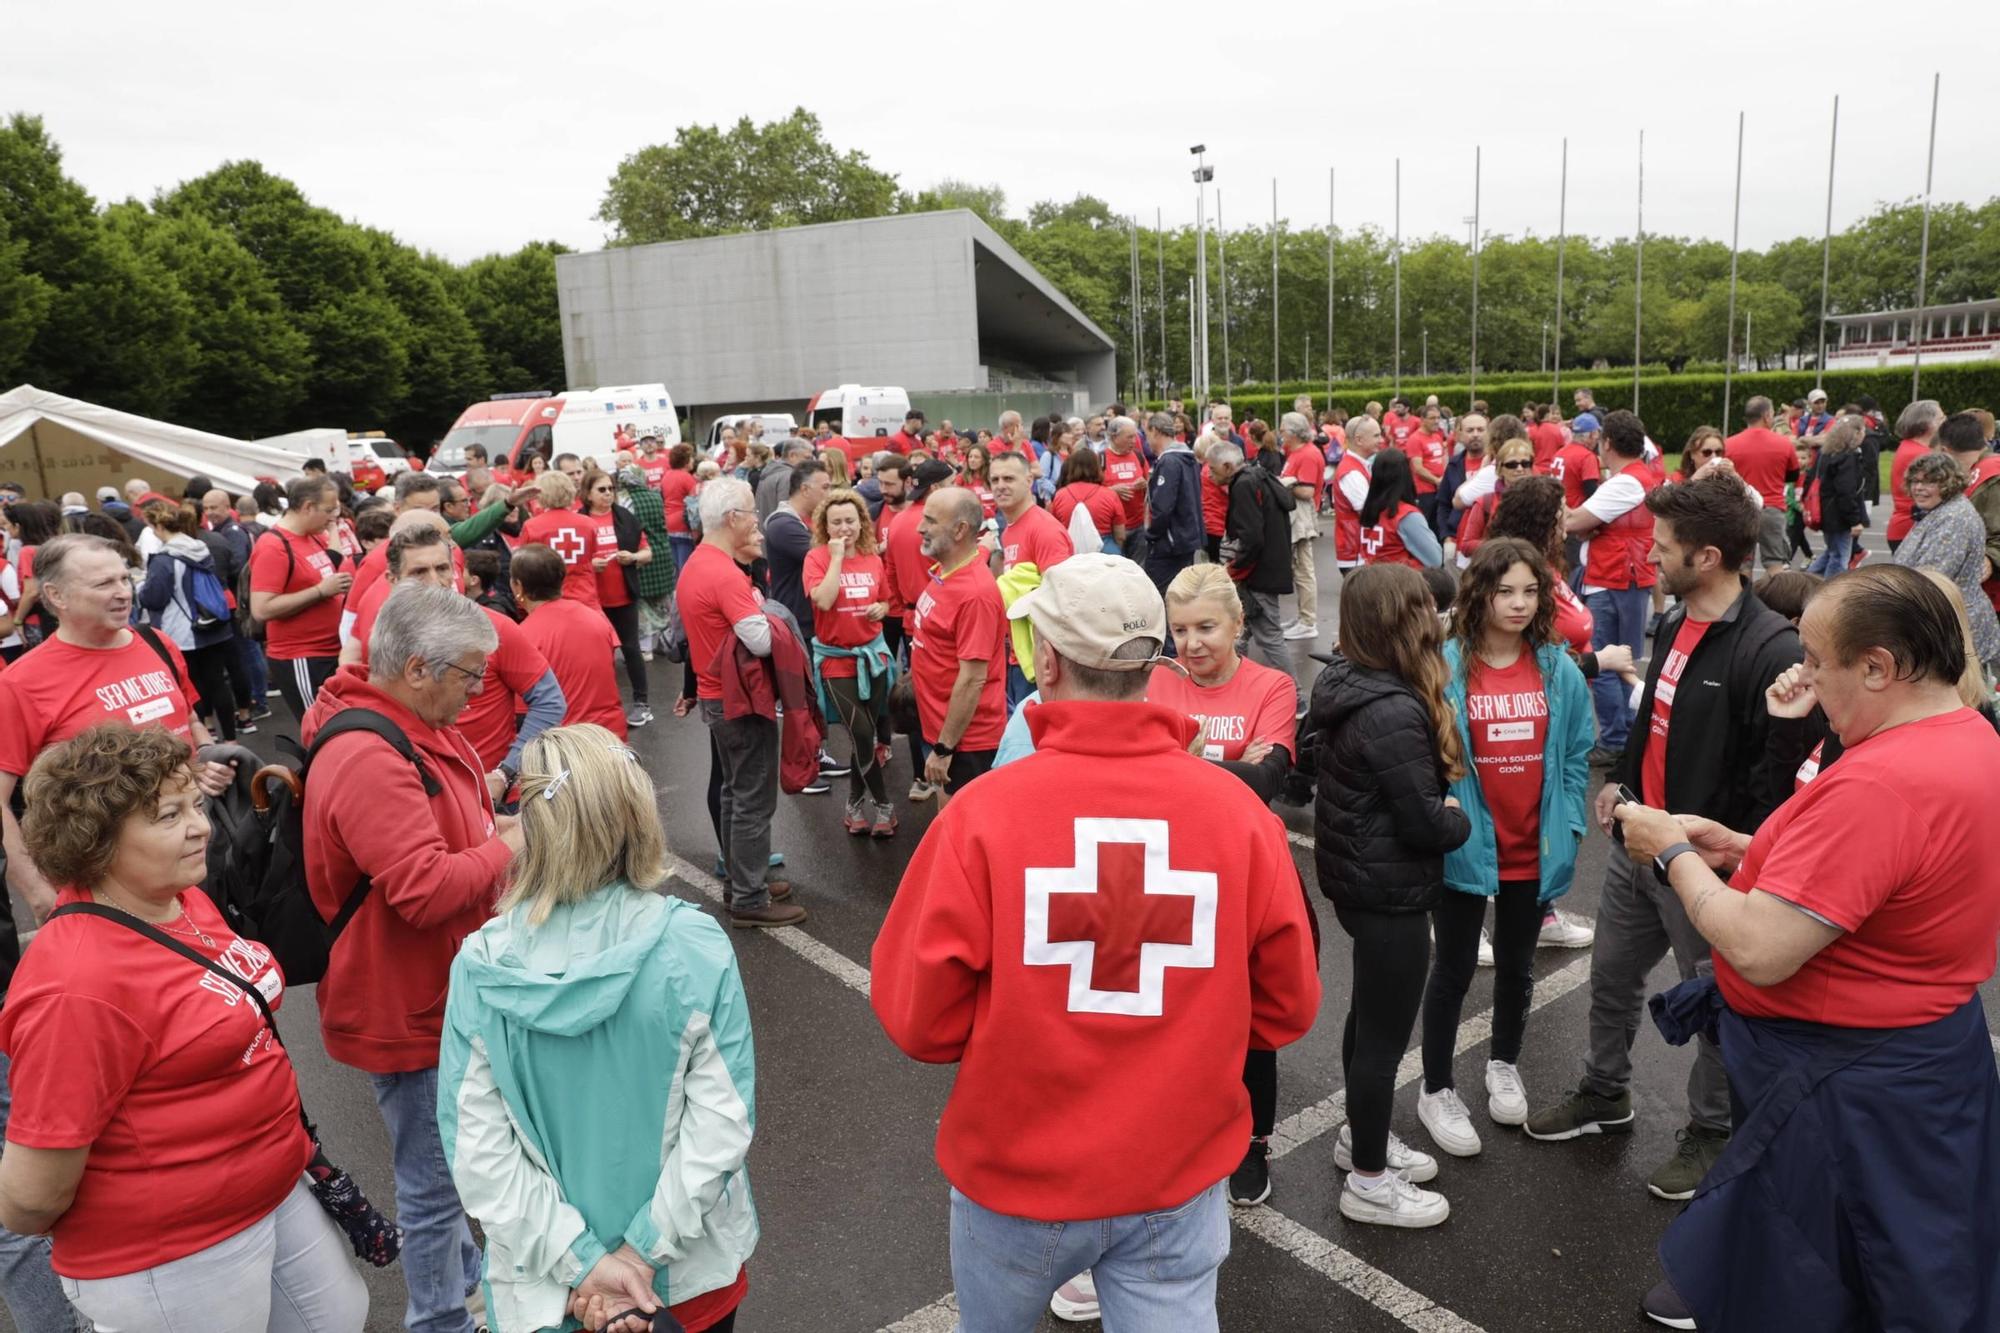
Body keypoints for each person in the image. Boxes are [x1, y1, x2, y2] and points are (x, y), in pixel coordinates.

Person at [872, 553, 1321, 1332]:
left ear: (1046, 659)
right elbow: (1285, 1007)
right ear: (1158, 655)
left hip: (1015, 1173)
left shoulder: (980, 817)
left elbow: (922, 1020)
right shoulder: (1241, 815)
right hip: (1177, 1172)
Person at [1616, 566, 2000, 1330]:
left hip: (1850, 1093)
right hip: (1908, 1064)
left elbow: (1759, 948)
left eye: (1819, 661)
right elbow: (1887, 877)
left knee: (1836, 1285)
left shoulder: (1881, 780)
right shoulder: (1969, 733)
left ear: (1878, 666)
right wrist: (1745, 846)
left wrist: (1671, 851)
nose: (1808, 679)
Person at [0, 724, 369, 1333]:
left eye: (194, 804)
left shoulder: (180, 898)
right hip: (172, 1252)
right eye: (169, 815)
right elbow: (31, 1197)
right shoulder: (75, 985)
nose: (201, 826)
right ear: (97, 841)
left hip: (272, 1193)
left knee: (340, 1316)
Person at [1527, 470, 1810, 1205]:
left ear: (1708, 556)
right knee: (1611, 982)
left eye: (1663, 546)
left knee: (1712, 1002)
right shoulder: (1668, 620)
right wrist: (1623, 785)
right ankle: (1604, 1092)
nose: (1649, 556)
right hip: (1636, 844)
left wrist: (1715, 855)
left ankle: (1711, 1129)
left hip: (1703, 867)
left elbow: (1770, 785)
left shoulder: (1769, 649)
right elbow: (1656, 714)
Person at [440, 725, 754, 1333]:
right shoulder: (692, 944)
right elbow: (722, 1122)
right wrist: (638, 1256)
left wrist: (584, 1263)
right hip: (687, 1276)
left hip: (549, 1289)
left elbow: (477, 1150)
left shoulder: (480, 965)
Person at [301, 583, 522, 1333]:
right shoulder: (370, 751)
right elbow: (424, 891)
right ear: (420, 668)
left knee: (449, 1174)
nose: (477, 690)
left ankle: (462, 1286)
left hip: (431, 987)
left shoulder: (411, 723)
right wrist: (511, 845)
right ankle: (439, 1319)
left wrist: (495, 825)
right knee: (435, 1185)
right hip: (410, 1004)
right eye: (469, 674)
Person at [1417, 539, 1594, 1160]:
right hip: (1466, 846)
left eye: (1531, 591)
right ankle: (1436, 1087)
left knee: (1518, 967)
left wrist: (1570, 823)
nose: (1519, 604)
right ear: (1479, 594)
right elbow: (1424, 751)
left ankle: (1503, 1063)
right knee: (1455, 968)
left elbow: (1576, 754)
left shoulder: (1556, 668)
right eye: (1505, 591)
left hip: (1532, 848)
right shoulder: (1444, 663)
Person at [1310, 563, 1471, 1227]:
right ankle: (1371, 1182)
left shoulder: (1348, 682)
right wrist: (1456, 811)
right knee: (1382, 1042)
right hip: (1390, 890)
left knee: (1367, 1022)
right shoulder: (1396, 708)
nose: (1437, 618)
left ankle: (1360, 1140)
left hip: (1362, 882)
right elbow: (1426, 822)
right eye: (1425, 609)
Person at [1145, 564, 1304, 1209]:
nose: (1192, 643)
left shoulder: (1274, 685)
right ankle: (1175, 1132)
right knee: (1172, 1013)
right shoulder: (1153, 680)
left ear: (1239, 625)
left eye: (1207, 627)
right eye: (1179, 629)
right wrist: (1225, 765)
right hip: (1165, 873)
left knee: (1249, 1020)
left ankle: (1252, 1145)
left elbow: (1268, 784)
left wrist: (1183, 762)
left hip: (1245, 877)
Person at [675, 478, 803, 926]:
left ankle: (741, 882)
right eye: (750, 513)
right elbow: (762, 640)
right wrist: (762, 604)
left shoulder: (698, 563)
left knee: (734, 795)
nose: (755, 521)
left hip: (718, 696)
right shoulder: (725, 572)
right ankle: (749, 898)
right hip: (740, 700)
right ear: (733, 518)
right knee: (751, 800)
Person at [1563, 410, 1664, 766]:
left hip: (1613, 577)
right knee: (1621, 660)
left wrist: (1571, 514)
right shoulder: (1638, 477)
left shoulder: (1626, 481)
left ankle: (1617, 737)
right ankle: (1628, 733)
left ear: (1607, 444)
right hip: (1625, 576)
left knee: (1606, 663)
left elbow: (1575, 521)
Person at [804, 487, 897, 837]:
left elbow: (887, 601)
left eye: (850, 520)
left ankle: (853, 805)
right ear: (825, 528)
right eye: (836, 522)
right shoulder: (815, 558)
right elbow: (824, 602)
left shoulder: (874, 559)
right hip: (837, 660)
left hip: (872, 656)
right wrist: (837, 558)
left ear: (861, 523)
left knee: (867, 734)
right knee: (860, 733)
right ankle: (885, 808)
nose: (844, 528)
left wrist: (881, 609)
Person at [909, 488, 1009, 795]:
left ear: (960, 529)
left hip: (966, 741)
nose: (920, 528)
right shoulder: (947, 570)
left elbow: (972, 679)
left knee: (959, 830)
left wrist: (944, 748)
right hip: (943, 729)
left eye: (930, 520)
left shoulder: (975, 594)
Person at [249, 475, 351, 720]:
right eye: (328, 510)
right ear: (307, 507)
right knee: (320, 728)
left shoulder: (312, 535)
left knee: (340, 726)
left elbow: (332, 560)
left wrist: (332, 527)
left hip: (328, 651)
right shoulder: (274, 546)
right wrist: (320, 591)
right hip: (302, 657)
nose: (332, 516)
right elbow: (261, 609)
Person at [138, 500, 241, 742]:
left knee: (193, 685)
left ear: (159, 526)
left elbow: (154, 597)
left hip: (181, 631)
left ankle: (206, 733)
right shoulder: (199, 548)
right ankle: (231, 738)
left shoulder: (164, 559)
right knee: (218, 681)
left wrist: (141, 588)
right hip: (211, 622)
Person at [1895, 451, 2000, 672]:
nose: (1919, 488)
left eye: (1930, 481)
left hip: (1955, 624)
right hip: (1946, 619)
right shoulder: (1942, 510)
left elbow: (1929, 579)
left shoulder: (1953, 518)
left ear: (1949, 483)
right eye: (1915, 481)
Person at [987, 450, 1073, 707]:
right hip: (1018, 656)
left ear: (1029, 481)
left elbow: (1060, 596)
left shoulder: (1043, 529)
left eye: (1009, 479)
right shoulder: (1012, 527)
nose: (1000, 486)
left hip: (1039, 661)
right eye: (995, 480)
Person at [1208, 442, 1296, 672]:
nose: (1209, 474)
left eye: (1212, 469)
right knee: (1240, 634)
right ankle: (1236, 683)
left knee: (1269, 637)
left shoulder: (1244, 485)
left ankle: (1296, 699)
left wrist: (1234, 568)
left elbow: (1252, 537)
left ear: (1227, 466)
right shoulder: (1259, 476)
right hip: (1266, 570)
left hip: (1258, 575)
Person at [578, 469, 656, 728]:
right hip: (590, 600)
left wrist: (632, 558)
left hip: (623, 596)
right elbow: (566, 561)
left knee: (631, 649)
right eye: (602, 489)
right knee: (598, 656)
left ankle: (642, 703)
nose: (608, 493)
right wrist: (590, 564)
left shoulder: (625, 517)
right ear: (587, 494)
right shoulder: (578, 520)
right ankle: (600, 707)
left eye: (611, 488)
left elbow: (647, 553)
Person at [1723, 396, 1800, 573]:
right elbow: (1793, 473)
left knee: (1743, 563)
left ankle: (1742, 600)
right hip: (1772, 508)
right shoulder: (1783, 444)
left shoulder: (1730, 444)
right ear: (1766, 416)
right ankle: (1777, 599)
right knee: (1775, 562)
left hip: (1741, 509)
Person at [617, 463, 679, 663]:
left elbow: (627, 529)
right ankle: (664, 642)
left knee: (642, 604)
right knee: (661, 601)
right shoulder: (655, 496)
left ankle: (645, 649)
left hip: (641, 553)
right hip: (662, 551)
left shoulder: (625, 500)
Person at [1276, 412, 1326, 642]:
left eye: (1284, 429)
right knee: (1300, 570)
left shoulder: (1306, 454)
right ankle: (1303, 618)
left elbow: (1306, 491)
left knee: (1304, 571)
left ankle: (1308, 621)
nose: (1281, 433)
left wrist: (1283, 484)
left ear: (1294, 432)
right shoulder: (1297, 452)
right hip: (1296, 516)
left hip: (1302, 517)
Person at [518, 472, 600, 609]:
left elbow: (524, 566)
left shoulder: (532, 527)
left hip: (548, 600)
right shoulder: (589, 524)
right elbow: (591, 557)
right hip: (585, 598)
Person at [1143, 411, 1204, 589]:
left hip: (1170, 542)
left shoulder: (1169, 462)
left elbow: (1163, 507)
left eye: (1147, 435)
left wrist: (1152, 535)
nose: (1147, 441)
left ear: (1155, 431)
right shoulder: (1187, 458)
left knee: (1162, 593)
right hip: (1185, 538)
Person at [1357, 448, 1444, 570]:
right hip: (1399, 582)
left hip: (1371, 579)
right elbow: (1435, 559)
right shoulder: (1406, 515)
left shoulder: (1369, 510)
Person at [1805, 414, 1867, 576]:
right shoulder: (1848, 457)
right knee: (1840, 557)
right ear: (1855, 433)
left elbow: (1810, 479)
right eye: (1863, 430)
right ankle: (1828, 595)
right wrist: (1855, 520)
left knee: (1831, 552)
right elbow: (1846, 491)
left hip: (1825, 511)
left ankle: (1806, 580)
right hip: (1838, 515)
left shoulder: (1825, 453)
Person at [1886, 399, 1945, 553]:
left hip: (1905, 527)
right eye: (1941, 419)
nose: (1945, 422)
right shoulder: (1919, 454)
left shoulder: (1909, 447)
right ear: (1927, 424)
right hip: (1911, 529)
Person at [1331, 414, 1382, 571]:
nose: (1380, 440)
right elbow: (1368, 513)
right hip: (1356, 553)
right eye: (1376, 436)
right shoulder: (1351, 472)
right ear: (1359, 440)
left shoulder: (1356, 465)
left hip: (1359, 551)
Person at [1050, 447, 1124, 555]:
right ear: (1097, 467)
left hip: (1070, 551)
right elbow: (1120, 535)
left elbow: (1054, 530)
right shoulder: (1110, 495)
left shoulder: (1060, 495)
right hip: (1105, 550)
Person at [1101, 416, 1150, 558]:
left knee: (1139, 568)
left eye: (1135, 437)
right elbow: (1092, 493)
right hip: (1112, 528)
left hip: (1138, 525)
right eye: (1129, 437)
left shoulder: (1138, 456)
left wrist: (1145, 484)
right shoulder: (1100, 458)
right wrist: (1112, 491)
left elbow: (1151, 485)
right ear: (1114, 437)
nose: (1134, 441)